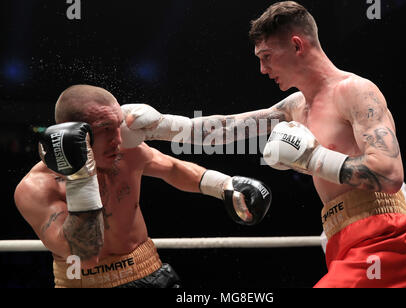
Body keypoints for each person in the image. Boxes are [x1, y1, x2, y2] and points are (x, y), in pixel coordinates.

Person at [119, 1, 406, 287]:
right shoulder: (296, 106)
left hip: (384, 239)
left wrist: (313, 159)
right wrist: (161, 126)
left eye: (266, 57)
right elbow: (227, 129)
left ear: (297, 45)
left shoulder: (356, 91)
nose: (262, 70)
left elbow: (389, 174)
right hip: (341, 240)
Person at [14, 85, 272, 288]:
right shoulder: (36, 188)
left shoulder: (126, 151)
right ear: (74, 133)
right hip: (83, 282)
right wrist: (81, 177)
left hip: (149, 269)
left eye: (119, 126)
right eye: (106, 129)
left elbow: (173, 169)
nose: (118, 139)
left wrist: (225, 185)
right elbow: (84, 254)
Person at [320, 183, 406, 269]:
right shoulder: (348, 181)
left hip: (401, 257)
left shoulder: (399, 183)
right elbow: (332, 230)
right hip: (365, 260)